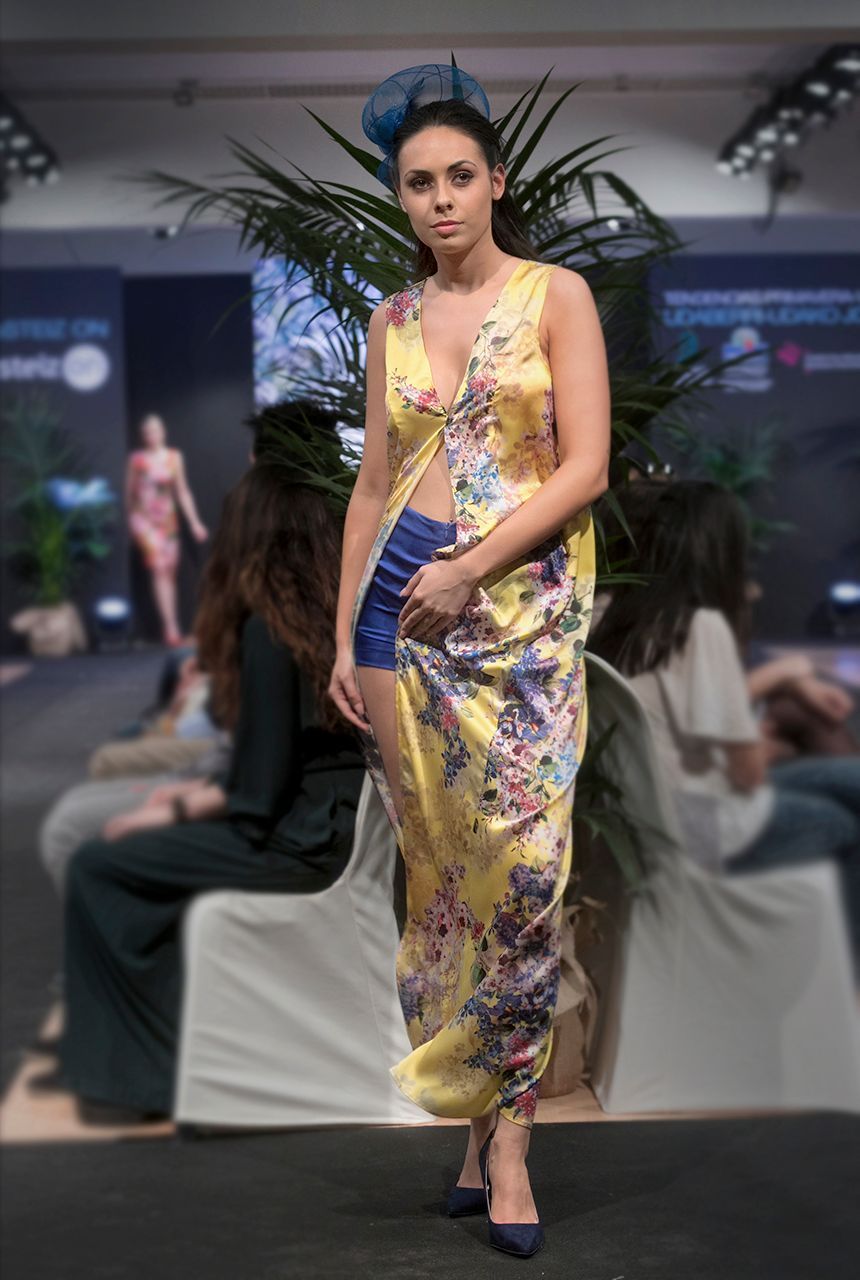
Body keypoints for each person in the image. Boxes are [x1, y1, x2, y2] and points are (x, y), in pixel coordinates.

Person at [327, 65, 610, 1256]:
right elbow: (375, 485)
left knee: (527, 882)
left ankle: (508, 1139)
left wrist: (469, 566)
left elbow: (582, 466)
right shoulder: (392, 320)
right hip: (403, 616)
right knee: (440, 887)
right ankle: (471, 1123)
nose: (440, 199)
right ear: (400, 198)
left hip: (519, 615)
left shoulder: (555, 294)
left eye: (458, 176)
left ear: (496, 181)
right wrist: (348, 628)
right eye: (417, 183)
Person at [33, 460, 366, 1122]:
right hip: (335, 828)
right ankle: (138, 1063)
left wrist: (173, 813)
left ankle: (139, 1079)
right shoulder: (338, 624)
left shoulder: (270, 633)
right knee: (131, 860)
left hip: (300, 844)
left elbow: (255, 796)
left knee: (101, 865)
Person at [587, 479, 860, 974]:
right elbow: (747, 776)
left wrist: (775, 689)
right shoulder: (699, 628)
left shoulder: (598, 616)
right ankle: (842, 978)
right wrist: (771, 732)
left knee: (848, 780)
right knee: (842, 820)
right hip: (704, 830)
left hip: (645, 823)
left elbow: (678, 720)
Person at [126, 413, 209, 647]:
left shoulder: (173, 458)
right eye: (147, 432)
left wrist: (194, 522)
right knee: (159, 568)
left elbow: (182, 491)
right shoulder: (138, 460)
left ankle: (171, 624)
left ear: (163, 431)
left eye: (155, 430)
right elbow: (129, 493)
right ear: (143, 436)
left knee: (169, 571)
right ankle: (170, 627)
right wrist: (132, 522)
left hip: (167, 521)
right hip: (144, 520)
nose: (151, 435)